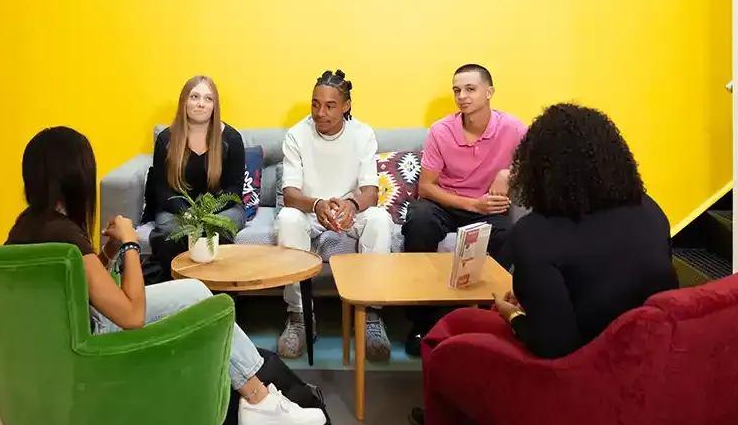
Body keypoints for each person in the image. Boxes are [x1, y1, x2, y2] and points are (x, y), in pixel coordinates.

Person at [6, 126, 326, 425]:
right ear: (76, 178)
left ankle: (257, 396)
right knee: (203, 300)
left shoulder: (28, 226)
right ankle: (258, 399)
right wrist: (130, 245)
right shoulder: (65, 235)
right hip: (90, 339)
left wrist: (110, 251)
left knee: (196, 292)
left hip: (61, 337)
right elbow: (131, 316)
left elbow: (83, 282)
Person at [410, 103, 680, 425]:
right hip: (646, 365)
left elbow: (554, 344)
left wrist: (512, 316)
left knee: (446, 334)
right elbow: (611, 279)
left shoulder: (536, 233)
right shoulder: (651, 210)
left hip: (576, 372)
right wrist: (537, 296)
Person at [401, 64, 527, 357]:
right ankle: (421, 323)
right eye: (457, 90)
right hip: (446, 203)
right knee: (419, 219)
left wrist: (509, 173)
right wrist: (472, 204)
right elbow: (426, 187)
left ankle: (476, 317)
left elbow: (537, 167)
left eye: (470, 89)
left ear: (489, 92)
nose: (462, 96)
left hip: (489, 208)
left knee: (510, 234)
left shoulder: (514, 129)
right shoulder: (442, 131)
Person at [275, 70, 394, 361]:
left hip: (349, 211)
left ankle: (370, 314)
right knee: (288, 219)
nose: (320, 113)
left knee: (380, 220)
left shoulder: (362, 134)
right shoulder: (297, 134)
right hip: (310, 210)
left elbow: (370, 193)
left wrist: (351, 204)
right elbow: (290, 195)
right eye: (315, 104)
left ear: (346, 106)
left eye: (330, 106)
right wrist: (317, 205)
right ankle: (300, 316)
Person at [146, 75, 247, 264]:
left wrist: (207, 216)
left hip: (222, 210)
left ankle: (217, 282)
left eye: (208, 99)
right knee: (170, 232)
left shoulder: (232, 139)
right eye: (194, 97)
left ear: (214, 106)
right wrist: (188, 215)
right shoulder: (165, 139)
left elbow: (234, 189)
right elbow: (162, 190)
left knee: (217, 228)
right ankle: (174, 281)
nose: (201, 104)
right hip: (176, 210)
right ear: (184, 101)